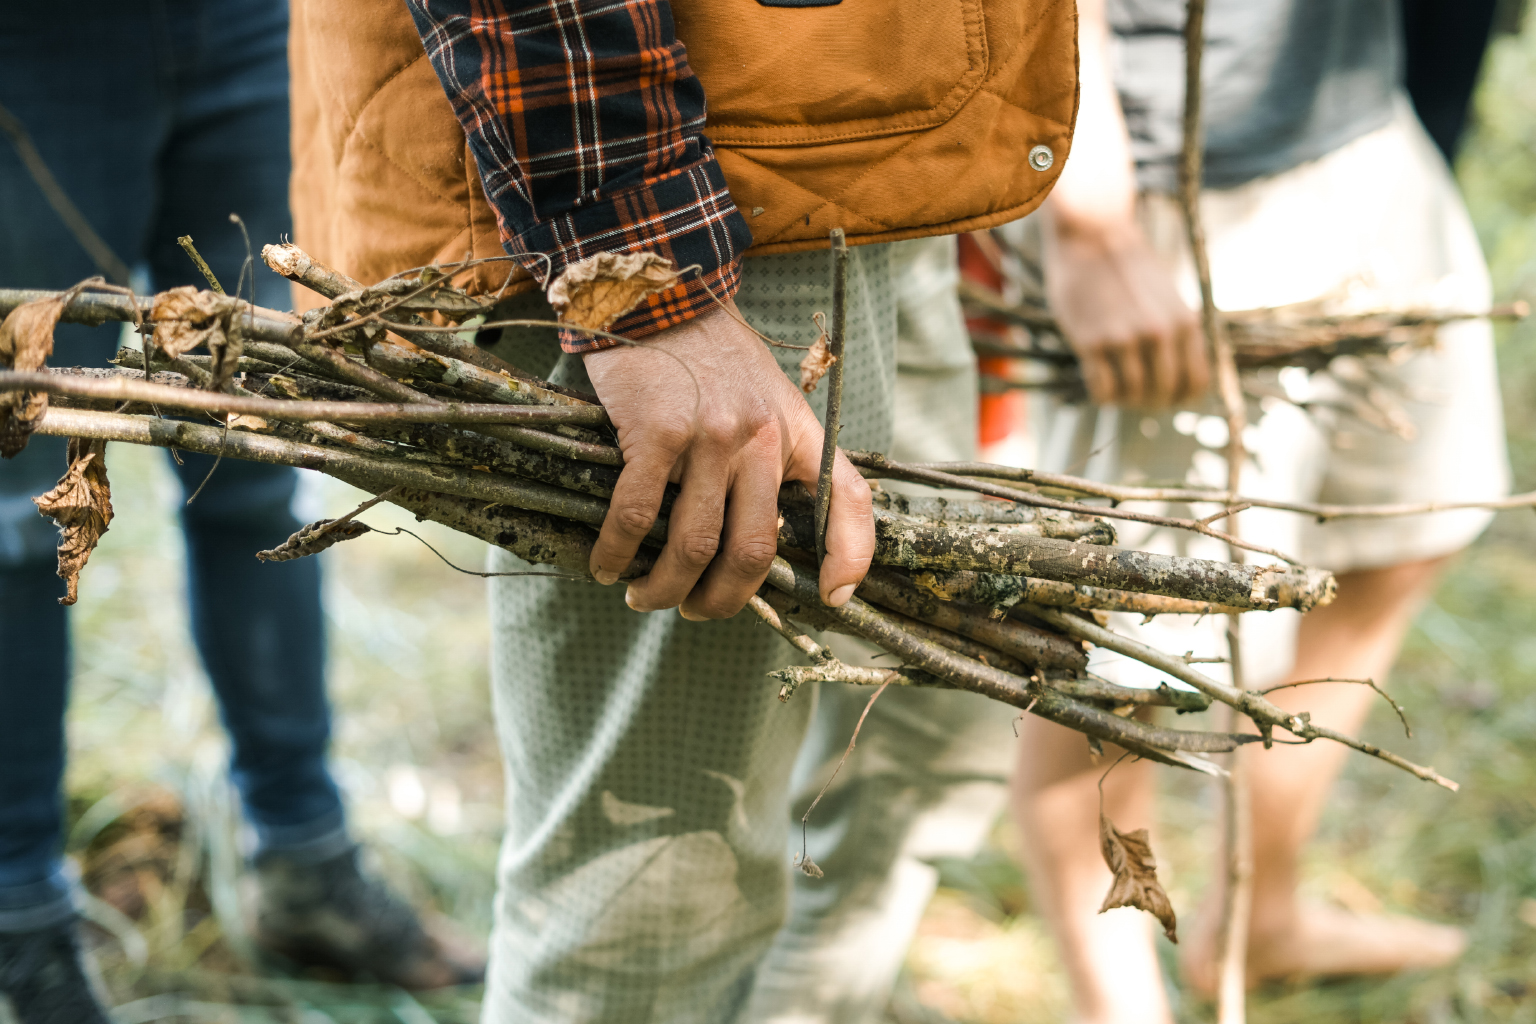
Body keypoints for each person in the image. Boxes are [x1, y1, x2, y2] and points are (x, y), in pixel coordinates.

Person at [286, 0, 1077, 1019]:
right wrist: (646, 280)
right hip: (684, 188)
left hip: (860, 142)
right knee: (655, 901)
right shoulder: (658, 240)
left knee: (923, 732)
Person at [1008, 1, 1510, 1019]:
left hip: (1360, 116)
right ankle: (1125, 1004)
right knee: (1123, 663)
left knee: (1401, 537)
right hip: (1174, 170)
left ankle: (1261, 917)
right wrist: (1090, 214)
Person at [0, 3, 482, 1020]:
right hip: (33, 45)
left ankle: (304, 856)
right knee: (17, 497)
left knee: (261, 453)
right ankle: (20, 913)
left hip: (249, 25)